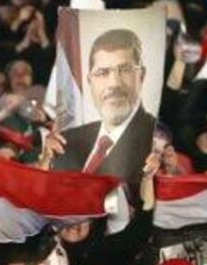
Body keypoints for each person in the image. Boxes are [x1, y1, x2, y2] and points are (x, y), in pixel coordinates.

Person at [52, 28, 156, 185]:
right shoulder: (68, 141)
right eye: (102, 72)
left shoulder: (156, 140)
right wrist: (45, 166)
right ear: (89, 82)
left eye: (125, 70)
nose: (114, 83)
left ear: (141, 76)